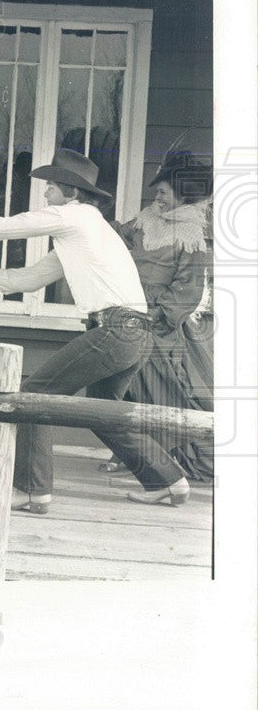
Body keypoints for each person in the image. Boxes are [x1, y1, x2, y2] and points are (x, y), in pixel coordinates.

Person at [0, 148, 190, 513]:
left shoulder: (78, 217)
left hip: (116, 330)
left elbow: (26, 222)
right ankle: (169, 481)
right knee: (102, 411)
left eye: (50, 187)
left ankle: (33, 490)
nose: (45, 194)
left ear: (71, 193)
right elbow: (27, 280)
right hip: (133, 335)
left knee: (34, 395)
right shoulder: (83, 235)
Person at [98, 151, 214, 481]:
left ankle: (168, 456)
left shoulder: (191, 234)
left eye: (162, 192)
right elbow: (122, 240)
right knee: (125, 386)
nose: (157, 198)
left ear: (182, 194)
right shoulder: (148, 218)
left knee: (160, 392)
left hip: (158, 324)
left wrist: (154, 320)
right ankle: (127, 451)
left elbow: (187, 291)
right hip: (127, 309)